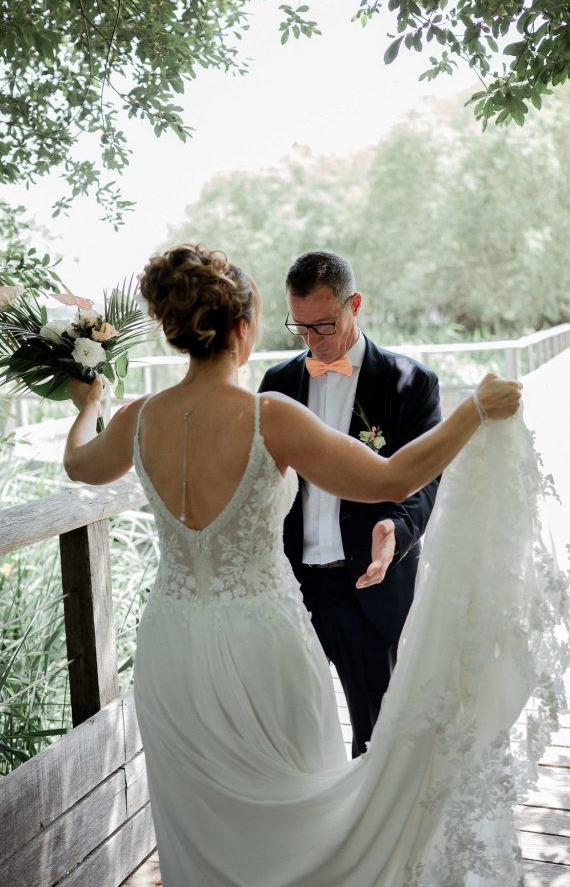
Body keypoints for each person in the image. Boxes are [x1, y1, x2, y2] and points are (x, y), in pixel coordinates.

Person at [63, 245, 523, 887]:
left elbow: (78, 465)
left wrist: (89, 402)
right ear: (242, 327)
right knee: (302, 813)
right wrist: (474, 410)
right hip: (262, 644)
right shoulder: (269, 416)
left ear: (174, 330)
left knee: (200, 822)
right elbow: (393, 476)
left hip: (169, 648)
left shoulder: (138, 418)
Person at [258, 251, 442, 757]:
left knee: (377, 742)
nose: (313, 341)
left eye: (324, 325)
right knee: (292, 739)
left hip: (369, 586)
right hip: (291, 587)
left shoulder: (410, 383)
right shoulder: (276, 385)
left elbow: (424, 481)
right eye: (300, 328)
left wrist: (396, 532)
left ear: (354, 305)